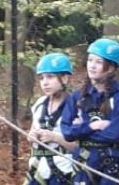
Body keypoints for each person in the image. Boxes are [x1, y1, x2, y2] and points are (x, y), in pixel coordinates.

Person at [62, 38, 119, 184]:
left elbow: (114, 134)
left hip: (110, 163)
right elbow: (67, 133)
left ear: (111, 68)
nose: (92, 66)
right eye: (90, 60)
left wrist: (80, 130)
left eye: (98, 62)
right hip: (83, 162)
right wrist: (92, 126)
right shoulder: (77, 97)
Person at [25, 53, 77, 185]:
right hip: (38, 171)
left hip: (63, 173)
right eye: (42, 78)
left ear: (64, 78)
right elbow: (31, 134)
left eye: (50, 77)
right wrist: (32, 136)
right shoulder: (39, 104)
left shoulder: (75, 106)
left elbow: (78, 146)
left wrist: (55, 137)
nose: (45, 83)